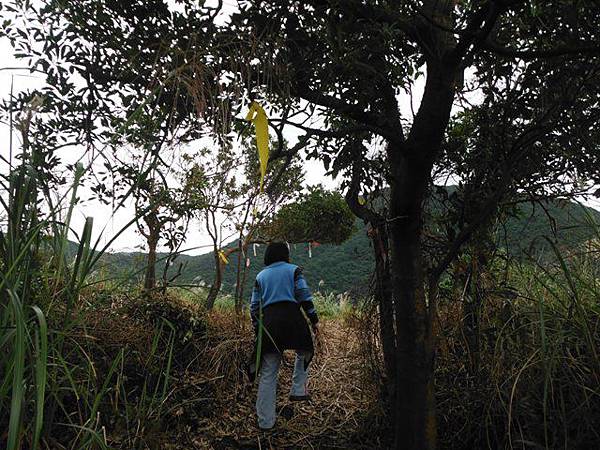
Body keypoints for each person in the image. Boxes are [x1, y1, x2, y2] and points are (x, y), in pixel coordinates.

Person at [248, 242, 319, 431]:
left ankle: (265, 422)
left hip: (270, 323)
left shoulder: (260, 276)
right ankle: (297, 390)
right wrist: (313, 318)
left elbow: (254, 307)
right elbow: (304, 295)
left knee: (268, 373)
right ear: (286, 254)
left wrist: (258, 329)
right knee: (304, 350)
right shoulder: (294, 270)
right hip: (293, 318)